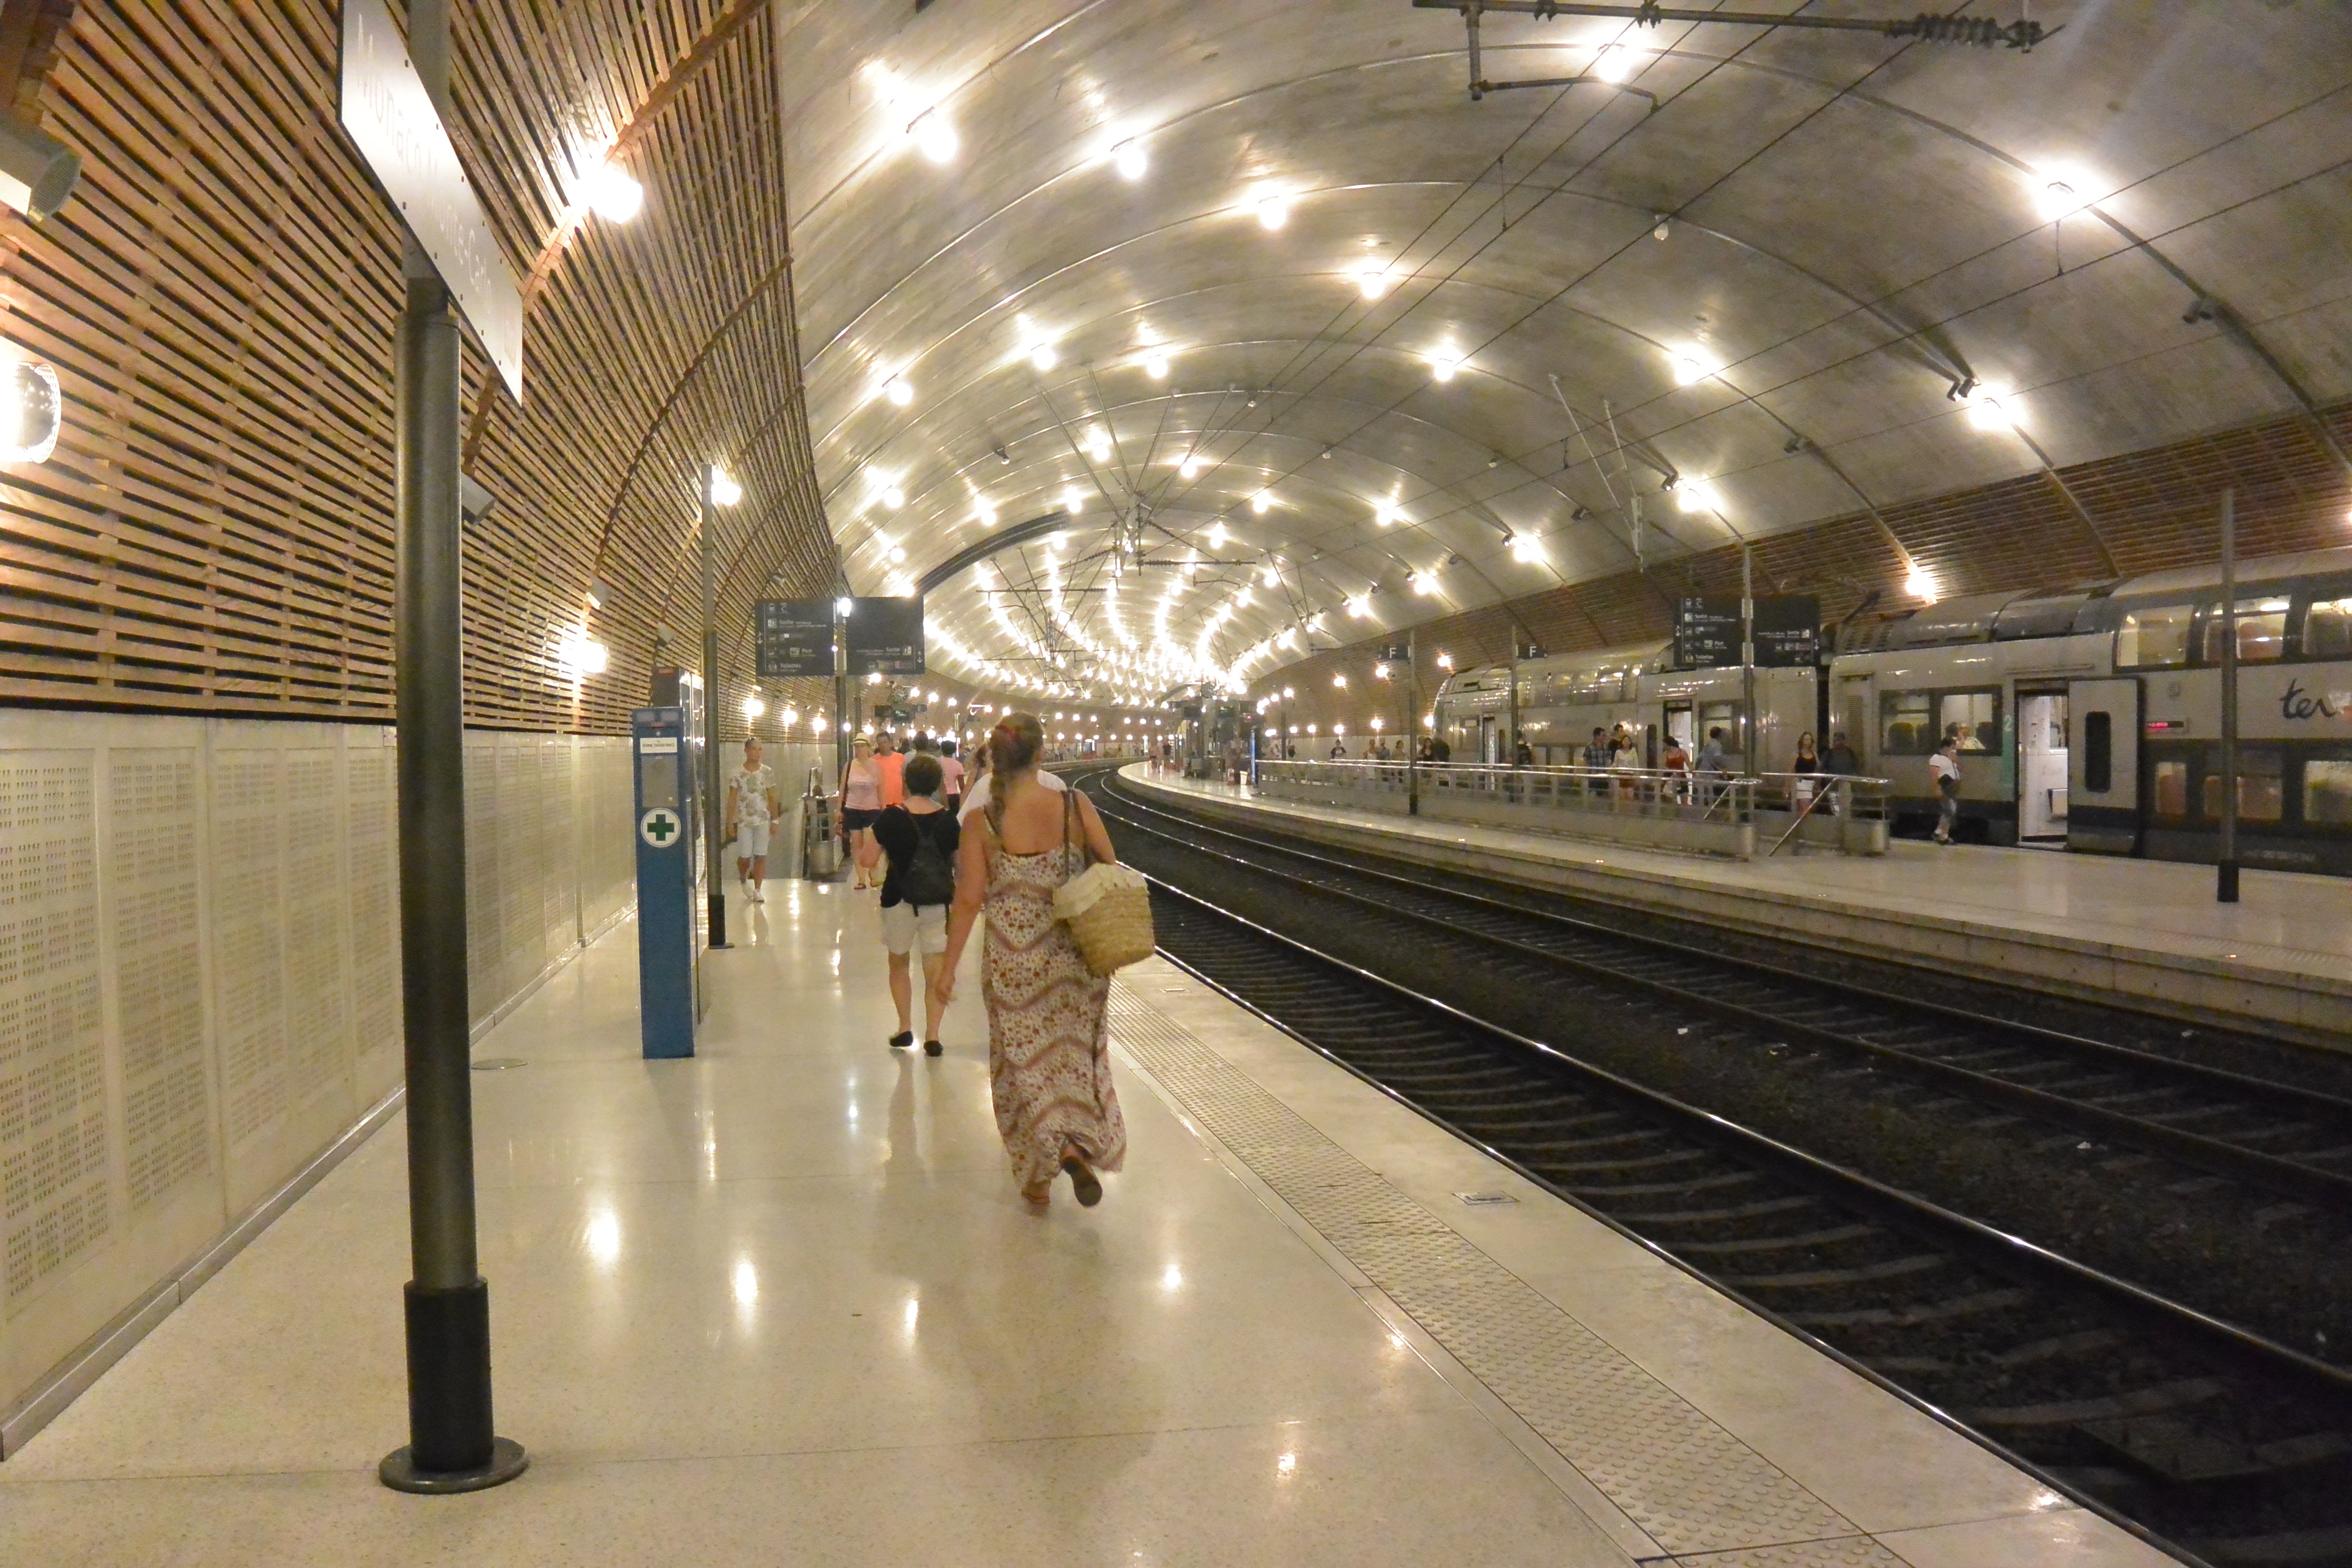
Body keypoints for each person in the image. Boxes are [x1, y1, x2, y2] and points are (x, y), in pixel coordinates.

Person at [935, 713, 1126, 1209]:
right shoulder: (1074, 806)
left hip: (1012, 965)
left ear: (994, 759)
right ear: (1041, 754)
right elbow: (1110, 867)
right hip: (1075, 960)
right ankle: (1077, 1143)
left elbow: (968, 900)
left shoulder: (981, 822)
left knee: (1020, 1068)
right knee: (1074, 1060)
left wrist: (947, 967)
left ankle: (1042, 1171)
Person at [873, 752, 958, 1057]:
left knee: (899, 963)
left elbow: (867, 859)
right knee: (934, 968)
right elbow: (959, 866)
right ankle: (933, 1036)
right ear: (937, 784)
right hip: (937, 902)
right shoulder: (949, 821)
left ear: (906, 783)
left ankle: (905, 1027)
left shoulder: (891, 818)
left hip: (898, 899)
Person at [725, 738, 781, 903]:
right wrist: (729, 822)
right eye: (754, 749)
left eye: (760, 749)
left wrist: (775, 820)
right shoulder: (737, 773)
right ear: (747, 751)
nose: (758, 753)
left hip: (762, 820)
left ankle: (758, 889)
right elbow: (733, 798)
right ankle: (743, 878)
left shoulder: (767, 772)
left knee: (760, 855)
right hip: (744, 821)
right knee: (745, 856)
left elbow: (772, 796)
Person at [840, 734, 884, 890]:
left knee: (870, 843)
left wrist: (884, 808)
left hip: (872, 809)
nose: (859, 749)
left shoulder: (876, 766)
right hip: (853, 809)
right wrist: (839, 809)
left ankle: (873, 872)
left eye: (862, 746)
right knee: (856, 845)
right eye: (857, 747)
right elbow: (843, 788)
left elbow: (881, 788)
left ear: (868, 748)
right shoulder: (850, 766)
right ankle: (861, 879)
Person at [1929, 738, 1963, 844]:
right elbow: (1934, 774)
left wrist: (1955, 761)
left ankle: (1944, 836)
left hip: (1953, 786)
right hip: (1944, 786)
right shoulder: (1936, 758)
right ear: (1945, 747)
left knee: (1951, 811)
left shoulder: (1951, 758)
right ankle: (1938, 832)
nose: (1953, 750)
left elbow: (1959, 770)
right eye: (1952, 748)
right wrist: (1937, 788)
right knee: (1949, 810)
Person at [1792, 731, 1821, 812]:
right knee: (1805, 806)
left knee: (1807, 807)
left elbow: (1818, 767)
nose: (1808, 741)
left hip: (1811, 782)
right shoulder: (1797, 754)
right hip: (1801, 782)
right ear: (1802, 741)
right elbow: (1791, 771)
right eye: (1806, 739)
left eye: (1809, 739)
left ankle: (1801, 819)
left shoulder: (1814, 754)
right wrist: (1786, 787)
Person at [875, 732, 906, 808]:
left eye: (885, 742)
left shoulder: (900, 758)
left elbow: (905, 778)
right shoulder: (874, 760)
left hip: (899, 801)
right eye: (880, 744)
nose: (883, 745)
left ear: (890, 743)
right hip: (881, 802)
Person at [937, 738, 965, 817]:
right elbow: (962, 785)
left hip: (940, 795)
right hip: (954, 796)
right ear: (954, 751)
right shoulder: (958, 765)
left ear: (942, 750)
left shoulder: (937, 762)